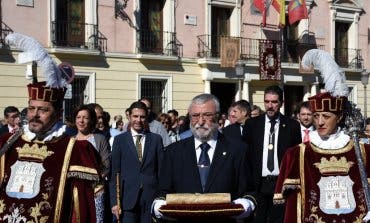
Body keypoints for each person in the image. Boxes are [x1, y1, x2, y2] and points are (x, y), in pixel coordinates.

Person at [0, 32, 101, 222]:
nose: (35, 115)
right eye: (31, 108)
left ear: (58, 114)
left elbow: (81, 210)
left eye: (43, 110)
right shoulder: (7, 143)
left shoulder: (76, 150)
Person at [152, 93, 256, 223]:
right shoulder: (173, 152)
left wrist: (245, 205)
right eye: (195, 116)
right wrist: (158, 205)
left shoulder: (238, 150)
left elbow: (249, 191)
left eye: (207, 115)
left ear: (218, 117)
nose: (200, 121)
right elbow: (163, 191)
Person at [273, 91, 370, 222]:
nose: (320, 122)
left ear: (339, 117)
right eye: (316, 116)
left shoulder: (363, 151)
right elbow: (292, 207)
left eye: (326, 116)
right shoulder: (296, 154)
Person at [244, 85, 301, 223]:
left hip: (280, 184)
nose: (270, 106)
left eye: (274, 102)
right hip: (258, 183)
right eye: (267, 101)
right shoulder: (252, 124)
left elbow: (296, 156)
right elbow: (246, 155)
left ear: (281, 103)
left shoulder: (292, 125)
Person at [110, 101, 164, 223]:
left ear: (147, 118)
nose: (138, 120)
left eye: (142, 117)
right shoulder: (119, 140)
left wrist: (161, 197)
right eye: (135, 116)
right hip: (126, 199)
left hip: (150, 198)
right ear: (129, 116)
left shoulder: (156, 140)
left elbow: (161, 171)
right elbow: (114, 173)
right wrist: (114, 202)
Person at [73, 104, 112, 223]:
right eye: (79, 117)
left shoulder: (99, 139)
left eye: (85, 117)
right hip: (74, 190)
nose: (81, 120)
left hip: (95, 190)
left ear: (91, 120)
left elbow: (107, 165)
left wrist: (93, 181)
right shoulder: (69, 140)